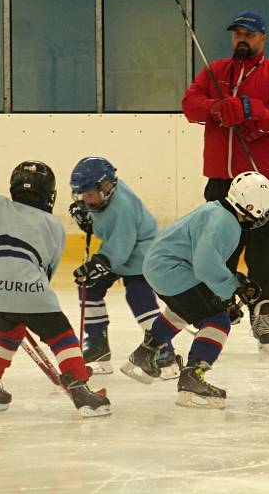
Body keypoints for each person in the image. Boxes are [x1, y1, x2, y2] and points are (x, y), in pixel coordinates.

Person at [0, 160, 111, 418]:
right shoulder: (54, 225)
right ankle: (80, 386)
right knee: (61, 335)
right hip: (32, 290)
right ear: (49, 193)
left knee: (7, 333)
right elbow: (47, 271)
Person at [182, 10, 269, 354]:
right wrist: (218, 108)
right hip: (222, 178)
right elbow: (190, 105)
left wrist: (248, 110)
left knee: (262, 252)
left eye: (248, 33)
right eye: (236, 33)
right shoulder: (215, 71)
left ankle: (261, 314)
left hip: (265, 180)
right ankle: (219, 307)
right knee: (218, 248)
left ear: (263, 38)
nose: (241, 39)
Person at [122, 172, 269, 409]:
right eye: (266, 209)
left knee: (185, 309)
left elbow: (204, 260)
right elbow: (206, 265)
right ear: (251, 206)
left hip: (159, 267)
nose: (266, 215)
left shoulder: (215, 209)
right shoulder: (227, 223)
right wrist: (229, 292)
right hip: (172, 270)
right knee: (217, 319)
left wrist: (231, 285)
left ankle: (145, 352)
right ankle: (192, 378)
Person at [68, 157, 178, 378]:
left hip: (140, 256)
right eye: (82, 195)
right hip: (121, 251)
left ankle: (162, 350)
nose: (86, 199)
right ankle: (98, 346)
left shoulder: (123, 208)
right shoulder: (107, 195)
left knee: (140, 299)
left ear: (106, 187)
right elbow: (107, 227)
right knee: (89, 288)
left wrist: (98, 264)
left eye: (89, 194)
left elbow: (119, 250)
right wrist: (91, 219)